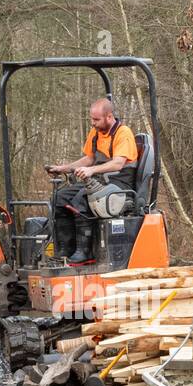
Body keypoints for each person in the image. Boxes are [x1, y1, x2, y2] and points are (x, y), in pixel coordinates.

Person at [47, 98, 138, 264]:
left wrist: (91, 170)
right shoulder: (96, 133)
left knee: (80, 200)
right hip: (99, 181)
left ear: (109, 117)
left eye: (96, 119)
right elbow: (89, 159)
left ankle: (85, 252)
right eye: (91, 119)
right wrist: (64, 168)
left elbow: (118, 163)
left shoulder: (123, 133)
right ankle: (65, 251)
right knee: (59, 198)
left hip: (118, 184)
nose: (93, 123)